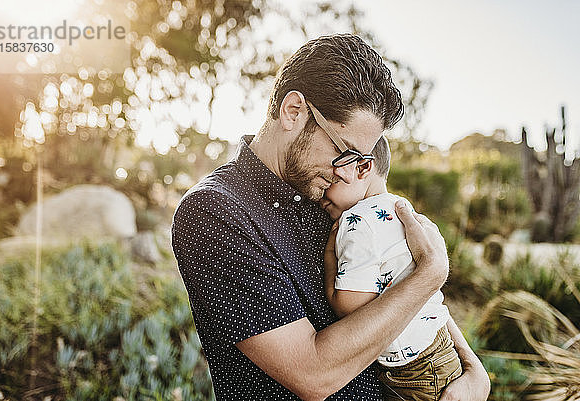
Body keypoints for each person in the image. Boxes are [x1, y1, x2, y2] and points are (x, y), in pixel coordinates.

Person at [171, 33, 490, 400]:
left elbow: (401, 275)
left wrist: (472, 370)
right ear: (293, 111)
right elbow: (312, 374)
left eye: (359, 161)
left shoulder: (328, 193)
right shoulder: (215, 213)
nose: (347, 172)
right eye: (345, 151)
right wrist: (431, 273)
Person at [321, 136, 462, 400]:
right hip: (440, 347)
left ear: (363, 168)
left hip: (414, 371)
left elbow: (348, 307)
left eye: (331, 181)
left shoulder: (356, 221)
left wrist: (330, 258)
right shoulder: (400, 206)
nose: (321, 196)